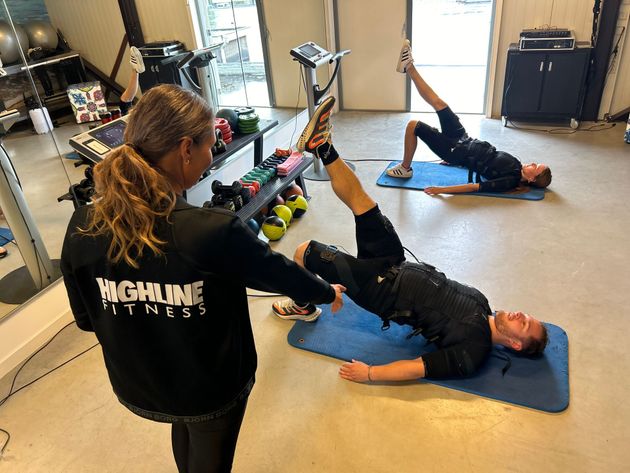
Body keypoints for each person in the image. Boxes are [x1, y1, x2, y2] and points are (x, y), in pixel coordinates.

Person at [60, 84, 345, 472]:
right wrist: (327, 291)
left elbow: (86, 319)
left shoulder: (82, 225)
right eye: (210, 145)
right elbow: (279, 275)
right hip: (210, 387)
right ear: (185, 149)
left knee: (186, 424)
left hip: (145, 383)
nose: (212, 157)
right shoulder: (210, 231)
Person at [272, 96, 548, 383]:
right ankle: (322, 145)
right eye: (526, 315)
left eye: (524, 323)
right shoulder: (482, 303)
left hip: (378, 291)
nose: (520, 314)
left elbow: (419, 366)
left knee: (304, 250)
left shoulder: (472, 352)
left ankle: (302, 307)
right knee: (364, 203)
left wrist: (369, 374)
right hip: (395, 262)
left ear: (515, 344)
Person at [386, 40, 552, 195]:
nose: (531, 163)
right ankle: (409, 67)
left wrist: (441, 190)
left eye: (535, 167)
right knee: (440, 103)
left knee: (413, 125)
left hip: (455, 150)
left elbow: (475, 187)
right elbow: (483, 163)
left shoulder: (510, 181)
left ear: (531, 179)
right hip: (463, 138)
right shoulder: (516, 163)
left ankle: (405, 169)